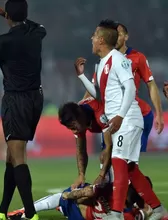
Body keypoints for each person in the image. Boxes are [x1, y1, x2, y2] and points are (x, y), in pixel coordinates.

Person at [75, 19, 166, 219]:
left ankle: (115, 214)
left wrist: (120, 116)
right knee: (131, 169)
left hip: (128, 119)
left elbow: (131, 88)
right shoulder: (101, 64)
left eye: (93, 36)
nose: (91, 39)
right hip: (120, 121)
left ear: (100, 40)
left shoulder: (118, 59)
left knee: (118, 162)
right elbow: (98, 94)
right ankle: (158, 210)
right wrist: (81, 77)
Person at [0, 1, 46, 220]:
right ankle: (2, 211)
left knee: (19, 157)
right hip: (35, 99)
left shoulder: (3, 42)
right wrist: (14, 16)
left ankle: (31, 214)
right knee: (11, 157)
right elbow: (40, 26)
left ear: (7, 18)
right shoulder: (36, 34)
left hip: (16, 101)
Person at [83, 22, 164, 152]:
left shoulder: (137, 57)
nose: (116, 37)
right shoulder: (104, 60)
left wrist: (159, 114)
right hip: (111, 115)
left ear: (126, 37)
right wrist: (80, 108)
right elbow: (93, 88)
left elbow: (151, 85)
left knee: (131, 160)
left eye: (119, 34)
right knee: (109, 157)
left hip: (137, 114)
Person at [7, 178, 154, 220]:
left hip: (79, 211)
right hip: (83, 208)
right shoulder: (133, 211)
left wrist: (70, 195)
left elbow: (89, 192)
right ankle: (24, 212)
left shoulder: (129, 212)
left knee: (63, 197)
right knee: (76, 194)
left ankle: (23, 212)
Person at [58, 99, 113, 186]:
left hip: (127, 123)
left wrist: (101, 175)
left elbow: (109, 146)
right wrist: (81, 175)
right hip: (110, 130)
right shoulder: (79, 119)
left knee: (107, 157)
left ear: (80, 116)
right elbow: (81, 150)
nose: (74, 131)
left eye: (73, 127)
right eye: (71, 128)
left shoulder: (99, 114)